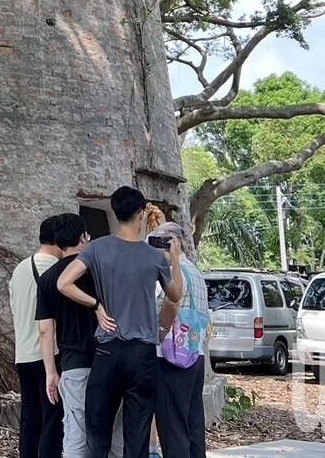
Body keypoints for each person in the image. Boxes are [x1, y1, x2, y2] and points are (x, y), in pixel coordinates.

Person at [57, 187, 184, 458]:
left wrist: (95, 305)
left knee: (98, 432)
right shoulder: (153, 257)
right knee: (136, 436)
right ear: (140, 214)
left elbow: (63, 283)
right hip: (142, 355)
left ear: (115, 213)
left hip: (107, 352)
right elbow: (175, 296)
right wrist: (173, 260)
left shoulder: (97, 248)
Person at [37, 213, 122, 458]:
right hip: (109, 361)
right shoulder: (101, 271)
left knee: (76, 432)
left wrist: (51, 372)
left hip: (74, 364)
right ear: (84, 237)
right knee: (115, 430)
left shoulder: (48, 279)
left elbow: (45, 331)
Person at [149, 221, 209, 458]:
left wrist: (162, 331)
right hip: (196, 353)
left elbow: (171, 303)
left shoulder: (173, 272)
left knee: (173, 426)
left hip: (171, 355)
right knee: (193, 422)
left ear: (170, 242)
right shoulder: (195, 271)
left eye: (157, 241)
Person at [11, 215, 64, 458]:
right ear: (58, 240)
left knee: (30, 418)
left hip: (22, 354)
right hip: (49, 355)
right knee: (52, 419)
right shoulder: (57, 271)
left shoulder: (20, 269)